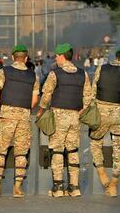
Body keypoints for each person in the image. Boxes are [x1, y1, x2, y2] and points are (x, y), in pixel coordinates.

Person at [38, 43, 92, 197]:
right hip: (75, 117)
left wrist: (41, 111)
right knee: (73, 150)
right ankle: (74, 187)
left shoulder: (55, 74)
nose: (56, 58)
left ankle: (58, 187)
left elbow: (46, 95)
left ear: (62, 56)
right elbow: (88, 97)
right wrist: (80, 112)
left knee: (57, 150)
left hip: (58, 115)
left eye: (57, 55)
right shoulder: (83, 74)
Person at [0, 44, 39, 198]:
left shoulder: (5, 71)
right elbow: (34, 99)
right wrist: (24, 108)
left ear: (12, 57)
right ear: (26, 58)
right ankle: (18, 188)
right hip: (24, 115)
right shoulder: (32, 75)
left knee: (1, 150)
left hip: (6, 114)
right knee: (21, 152)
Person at [89, 44, 120, 197]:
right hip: (119, 113)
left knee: (95, 143)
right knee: (119, 148)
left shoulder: (101, 68)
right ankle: (114, 183)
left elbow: (93, 91)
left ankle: (101, 171)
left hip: (100, 111)